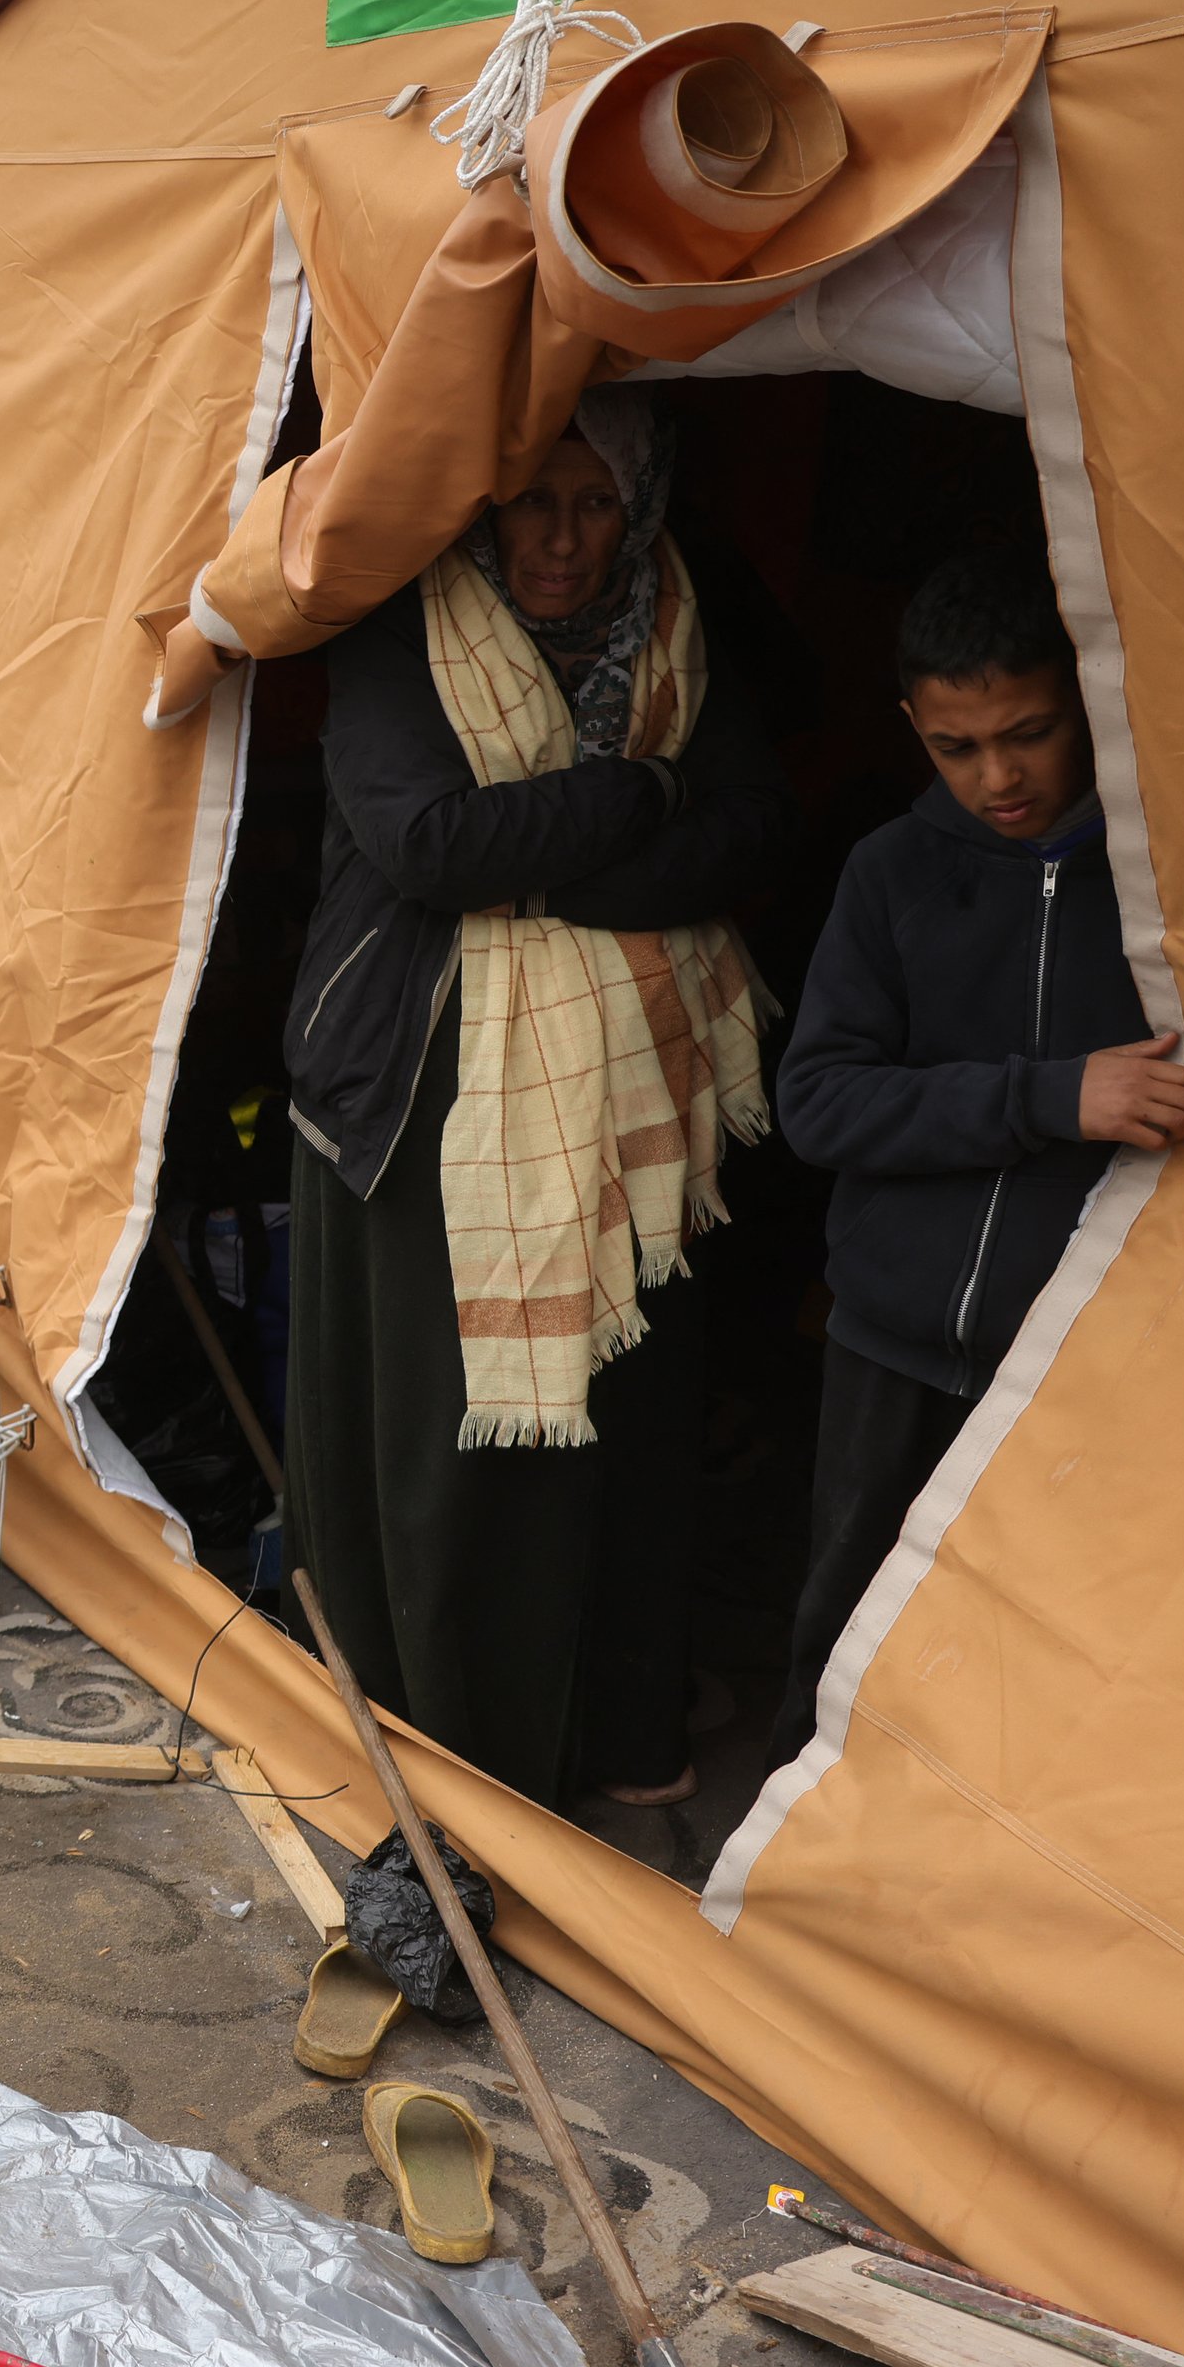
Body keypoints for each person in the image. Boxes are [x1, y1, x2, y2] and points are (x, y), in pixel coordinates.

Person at [281, 385, 790, 1810]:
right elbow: (431, 842)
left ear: (641, 510)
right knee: (469, 1465)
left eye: (595, 503)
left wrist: (556, 854)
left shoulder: (687, 613)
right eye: (532, 499)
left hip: (636, 1120)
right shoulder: (404, 626)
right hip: (424, 1100)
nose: (560, 539)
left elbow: (753, 824)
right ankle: (459, 1754)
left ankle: (614, 1736)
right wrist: (644, 799)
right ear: (482, 499)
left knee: (621, 1456)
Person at [764, 551, 1184, 1766]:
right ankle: (779, 1884)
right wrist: (1055, 1096)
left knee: (1036, 1653)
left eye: (1030, 733)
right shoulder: (890, 872)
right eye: (956, 746)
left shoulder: (1168, 881)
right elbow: (820, 1105)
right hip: (889, 1337)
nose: (998, 776)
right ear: (912, 726)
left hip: (1080, 1354)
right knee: (843, 1628)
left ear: (1091, 697)